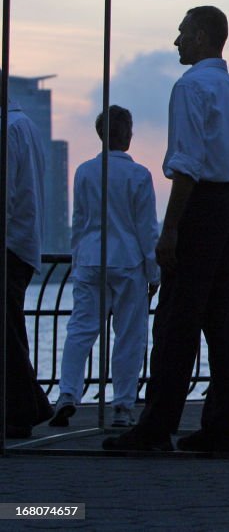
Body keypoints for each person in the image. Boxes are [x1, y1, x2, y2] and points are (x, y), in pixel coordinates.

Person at [103, 5, 229, 453]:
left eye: (183, 33)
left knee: (175, 321)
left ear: (203, 37)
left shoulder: (190, 87)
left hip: (203, 205)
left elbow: (186, 164)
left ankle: (156, 426)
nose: (177, 42)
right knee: (223, 321)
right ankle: (221, 427)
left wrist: (169, 232)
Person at [51, 106, 159, 429]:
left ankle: (67, 393)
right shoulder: (140, 175)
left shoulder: (84, 172)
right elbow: (147, 230)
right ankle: (122, 407)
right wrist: (154, 273)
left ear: (100, 135)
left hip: (90, 259)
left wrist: (77, 259)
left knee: (81, 330)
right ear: (128, 134)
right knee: (129, 336)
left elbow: (79, 222)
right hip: (128, 262)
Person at [3, 97, 54, 439]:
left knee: (7, 332)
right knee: (11, 328)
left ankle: (27, 407)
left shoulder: (7, 130)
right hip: (23, 242)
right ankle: (28, 406)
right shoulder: (28, 127)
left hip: (8, 241)